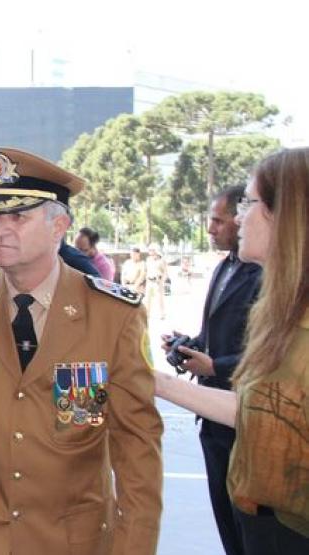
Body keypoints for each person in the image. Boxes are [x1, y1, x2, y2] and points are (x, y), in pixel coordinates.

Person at [0, 147, 163, 555]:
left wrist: (133, 546)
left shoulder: (113, 316)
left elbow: (136, 448)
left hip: (71, 538)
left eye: (17, 216)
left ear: (58, 226)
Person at [155, 148, 309, 553]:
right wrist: (156, 382)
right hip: (266, 518)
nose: (240, 217)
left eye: (249, 203)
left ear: (286, 213)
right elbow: (256, 407)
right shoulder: (282, 308)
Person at [160, 186, 261, 555]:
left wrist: (215, 365)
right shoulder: (226, 266)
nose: (210, 228)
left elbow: (268, 354)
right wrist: (189, 346)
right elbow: (217, 334)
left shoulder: (268, 274)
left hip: (245, 420)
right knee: (229, 526)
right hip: (213, 423)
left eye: (218, 220)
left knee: (250, 528)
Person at [144, 244, 168, 319]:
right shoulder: (148, 259)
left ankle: (162, 313)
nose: (150, 251)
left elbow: (165, 272)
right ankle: (147, 314)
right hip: (150, 281)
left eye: (152, 250)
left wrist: (162, 281)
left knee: (159, 298)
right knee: (148, 299)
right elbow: (146, 270)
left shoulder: (161, 260)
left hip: (158, 281)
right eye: (150, 250)